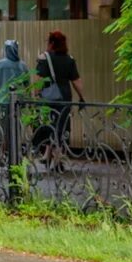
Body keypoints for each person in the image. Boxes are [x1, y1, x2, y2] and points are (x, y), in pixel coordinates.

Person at [35, 30, 85, 171]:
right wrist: (82, 97)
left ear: (51, 43)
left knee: (49, 125)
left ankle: (51, 158)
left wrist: (35, 95)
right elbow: (76, 81)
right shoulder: (69, 59)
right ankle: (56, 159)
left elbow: (39, 81)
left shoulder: (44, 58)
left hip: (48, 99)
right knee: (62, 127)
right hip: (64, 99)